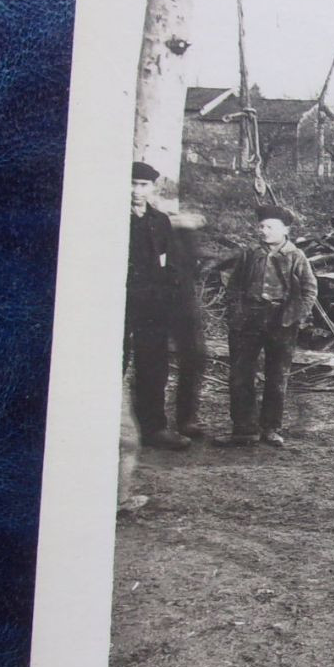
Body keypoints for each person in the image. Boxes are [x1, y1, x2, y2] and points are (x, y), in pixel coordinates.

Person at [214, 204, 318, 449]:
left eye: (270, 226)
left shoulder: (295, 255)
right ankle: (243, 429)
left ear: (285, 229)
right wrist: (236, 311)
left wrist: (294, 316)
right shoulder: (250, 253)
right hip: (248, 318)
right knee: (240, 374)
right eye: (261, 226)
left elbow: (309, 290)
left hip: (280, 320)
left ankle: (271, 428)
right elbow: (234, 286)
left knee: (277, 376)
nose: (264, 231)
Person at [125, 160, 207, 450]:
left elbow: (170, 262)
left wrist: (166, 292)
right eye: (132, 183)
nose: (137, 191)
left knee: (153, 365)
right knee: (115, 362)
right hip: (118, 302)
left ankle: (153, 428)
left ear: (152, 187)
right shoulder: (111, 216)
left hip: (152, 305)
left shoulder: (159, 221)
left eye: (143, 185)